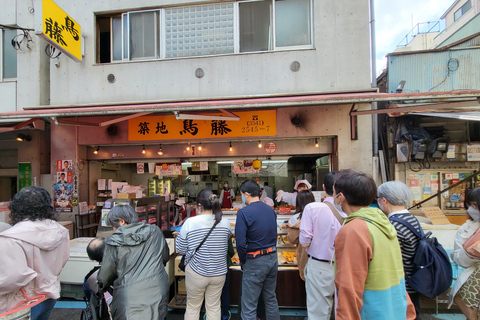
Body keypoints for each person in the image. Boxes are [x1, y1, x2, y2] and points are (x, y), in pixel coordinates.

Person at [333, 169, 416, 320]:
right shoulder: (383, 223)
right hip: (394, 309)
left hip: (370, 311)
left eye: (335, 194)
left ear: (341, 197)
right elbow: (398, 272)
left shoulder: (353, 230)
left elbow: (349, 287)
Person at [0, 186, 70, 320]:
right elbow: (63, 259)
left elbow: (11, 278)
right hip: (49, 295)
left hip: (21, 302)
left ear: (17, 207)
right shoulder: (60, 231)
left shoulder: (11, 238)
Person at [97, 205, 170, 320]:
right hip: (158, 290)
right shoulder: (155, 231)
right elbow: (165, 257)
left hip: (129, 297)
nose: (113, 230)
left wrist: (101, 288)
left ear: (121, 222)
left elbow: (106, 273)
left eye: (113, 226)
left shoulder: (114, 241)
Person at [176, 189, 232, 320]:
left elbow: (181, 249)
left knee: (193, 307)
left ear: (199, 205)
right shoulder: (225, 223)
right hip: (219, 273)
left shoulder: (190, 223)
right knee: (213, 306)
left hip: (196, 273)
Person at [299, 171, 346, 319]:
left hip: (320, 267)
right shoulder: (353, 211)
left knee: (319, 313)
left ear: (324, 187)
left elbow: (305, 242)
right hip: (346, 266)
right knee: (343, 311)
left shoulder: (313, 208)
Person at [377, 181, 423, 318]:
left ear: (383, 200)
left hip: (401, 285)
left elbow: (387, 257)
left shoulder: (393, 225)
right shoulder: (411, 219)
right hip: (413, 281)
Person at [235, 180, 280, 320]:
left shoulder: (243, 213)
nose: (242, 197)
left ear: (247, 194)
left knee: (249, 305)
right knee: (271, 299)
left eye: (242, 194)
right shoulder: (270, 210)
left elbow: (241, 244)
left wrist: (243, 261)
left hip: (254, 261)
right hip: (272, 258)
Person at [448, 187, 480, 319]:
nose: (472, 209)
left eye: (475, 205)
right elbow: (458, 259)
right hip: (473, 285)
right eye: (469, 205)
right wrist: (469, 253)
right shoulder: (466, 229)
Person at [286, 190, 315, 281]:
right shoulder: (319, 215)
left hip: (305, 257)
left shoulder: (297, 218)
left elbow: (291, 239)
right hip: (321, 259)